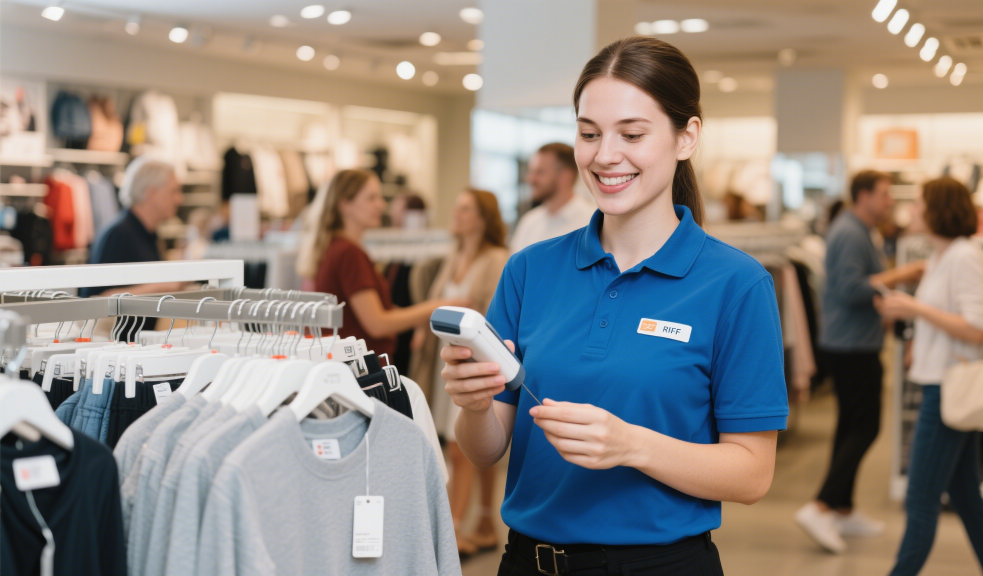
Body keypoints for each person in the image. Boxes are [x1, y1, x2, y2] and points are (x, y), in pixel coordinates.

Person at [440, 36, 789, 575]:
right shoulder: (529, 269)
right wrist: (475, 405)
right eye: (588, 134)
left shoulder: (736, 285)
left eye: (632, 134)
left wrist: (630, 445)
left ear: (686, 137)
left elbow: (751, 474)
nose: (605, 156)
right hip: (527, 561)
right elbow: (486, 450)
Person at [877, 177, 983, 576]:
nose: (911, 210)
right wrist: (918, 329)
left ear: (938, 209)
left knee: (920, 500)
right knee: (967, 498)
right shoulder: (944, 255)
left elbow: (975, 328)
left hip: (948, 389)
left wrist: (914, 310)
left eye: (918, 203)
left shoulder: (964, 256)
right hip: (942, 383)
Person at [795, 170, 924, 553]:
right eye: (884, 194)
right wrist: (906, 273)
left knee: (851, 425)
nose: (890, 202)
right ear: (863, 195)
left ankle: (842, 507)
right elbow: (850, 288)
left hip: (854, 343)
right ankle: (820, 505)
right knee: (865, 427)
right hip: (850, 346)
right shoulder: (849, 232)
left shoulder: (861, 229)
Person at [410, 188, 510, 557]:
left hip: (473, 362)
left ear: (483, 217)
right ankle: (484, 522)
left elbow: (494, 314)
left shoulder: (498, 258)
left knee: (459, 448)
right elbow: (438, 305)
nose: (457, 214)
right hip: (444, 359)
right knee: (473, 448)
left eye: (465, 209)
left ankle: (451, 529)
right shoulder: (453, 256)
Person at [297, 169, 467, 358]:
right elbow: (377, 323)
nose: (381, 205)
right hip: (361, 370)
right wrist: (438, 307)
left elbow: (364, 313)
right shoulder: (348, 253)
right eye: (371, 198)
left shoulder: (335, 248)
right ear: (345, 204)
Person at [79, 155, 190, 339]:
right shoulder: (119, 235)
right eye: (174, 191)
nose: (179, 199)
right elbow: (97, 301)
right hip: (116, 351)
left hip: (134, 345)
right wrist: (163, 287)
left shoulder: (146, 233)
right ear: (152, 192)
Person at [508, 142, 593, 253]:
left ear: (566, 176)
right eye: (531, 172)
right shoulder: (529, 222)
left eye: (539, 172)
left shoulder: (591, 222)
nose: (530, 179)